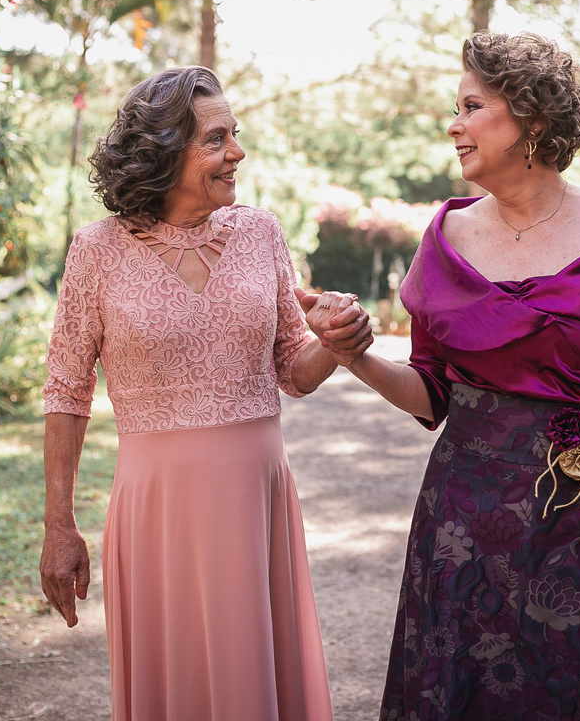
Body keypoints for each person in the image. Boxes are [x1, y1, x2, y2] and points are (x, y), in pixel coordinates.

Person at [306, 32, 580, 720]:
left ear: (533, 119)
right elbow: (430, 393)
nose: (453, 125)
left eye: (471, 106)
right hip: (465, 530)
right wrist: (357, 357)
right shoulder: (445, 240)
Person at [39, 65, 369, 721]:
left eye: (234, 136)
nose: (236, 153)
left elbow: (292, 370)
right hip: (156, 511)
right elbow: (67, 391)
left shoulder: (261, 234)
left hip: (255, 501)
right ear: (165, 151)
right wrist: (58, 526)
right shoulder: (95, 253)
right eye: (216, 140)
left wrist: (336, 342)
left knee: (255, 682)